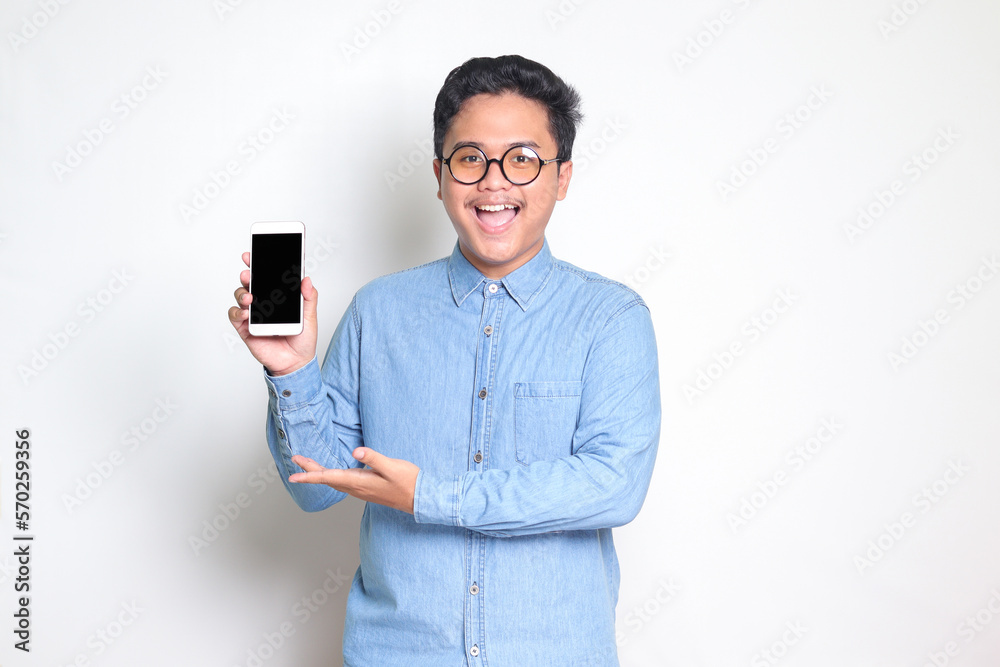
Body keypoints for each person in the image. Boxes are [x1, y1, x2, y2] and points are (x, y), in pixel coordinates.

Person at [228, 54, 661, 666]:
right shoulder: (377, 312)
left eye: (523, 159)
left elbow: (613, 485)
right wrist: (291, 371)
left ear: (562, 177)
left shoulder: (611, 319)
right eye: (470, 159)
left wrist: (430, 496)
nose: (494, 183)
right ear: (438, 174)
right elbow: (317, 488)